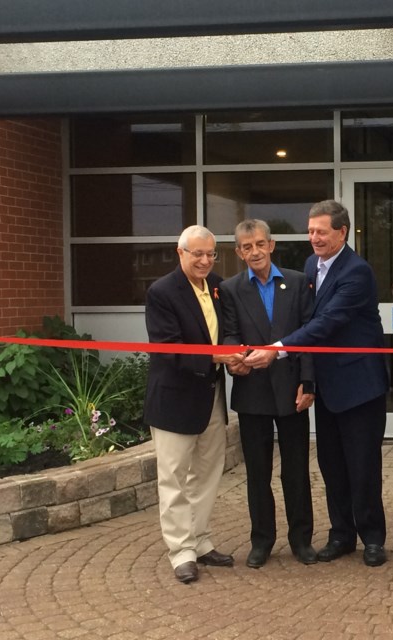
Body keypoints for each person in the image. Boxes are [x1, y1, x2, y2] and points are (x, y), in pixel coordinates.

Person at [243, 200, 391, 567]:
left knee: (363, 466)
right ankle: (341, 534)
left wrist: (277, 349)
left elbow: (326, 322)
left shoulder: (357, 272)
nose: (314, 238)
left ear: (342, 232)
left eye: (321, 231)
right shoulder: (311, 266)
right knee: (331, 464)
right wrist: (307, 378)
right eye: (310, 231)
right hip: (326, 388)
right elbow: (307, 318)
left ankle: (372, 538)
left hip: (360, 386)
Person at [219, 219, 317, 569]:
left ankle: (301, 540)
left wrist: (309, 383)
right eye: (247, 247)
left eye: (260, 244)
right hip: (253, 391)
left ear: (271, 245)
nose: (255, 252)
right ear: (238, 252)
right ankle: (261, 541)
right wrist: (235, 359)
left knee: (296, 471)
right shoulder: (230, 289)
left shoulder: (297, 281)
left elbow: (307, 334)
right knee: (257, 472)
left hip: (292, 391)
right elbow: (229, 334)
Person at [143, 225, 239, 584]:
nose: (204, 260)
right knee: (174, 479)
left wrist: (233, 352)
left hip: (211, 396)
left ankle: (200, 541)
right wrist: (221, 358)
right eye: (196, 253)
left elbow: (228, 329)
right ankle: (180, 551)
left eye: (210, 253)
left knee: (208, 472)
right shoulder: (162, 292)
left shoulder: (217, 285)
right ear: (179, 252)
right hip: (174, 398)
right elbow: (169, 347)